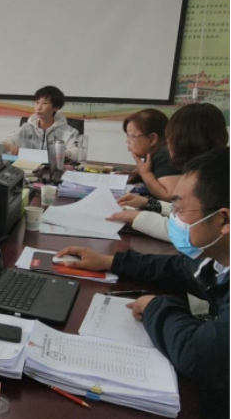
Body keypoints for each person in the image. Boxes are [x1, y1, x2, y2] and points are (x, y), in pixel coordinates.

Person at [57, 147, 229, 419]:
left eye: (180, 209)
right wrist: (110, 262)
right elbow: (182, 269)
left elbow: (196, 354)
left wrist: (155, 306)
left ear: (223, 220)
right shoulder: (217, 259)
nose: (173, 219)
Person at [108, 103, 229, 241]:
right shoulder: (215, 166)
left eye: (171, 137)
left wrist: (139, 217)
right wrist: (148, 203)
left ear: (183, 141)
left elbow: (188, 233)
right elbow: (183, 210)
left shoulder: (205, 180)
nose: (167, 143)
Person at [2, 86, 79, 158]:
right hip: (27, 166)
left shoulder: (69, 132)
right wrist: (10, 146)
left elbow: (77, 152)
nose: (39, 107)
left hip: (54, 167)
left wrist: (65, 154)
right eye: (37, 102)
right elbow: (4, 143)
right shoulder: (26, 128)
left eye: (44, 103)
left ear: (56, 107)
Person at [121, 109, 179, 201]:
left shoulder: (165, 155)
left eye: (132, 136)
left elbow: (169, 197)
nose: (127, 141)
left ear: (152, 138)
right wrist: (135, 173)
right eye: (127, 135)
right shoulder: (154, 152)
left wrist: (145, 173)